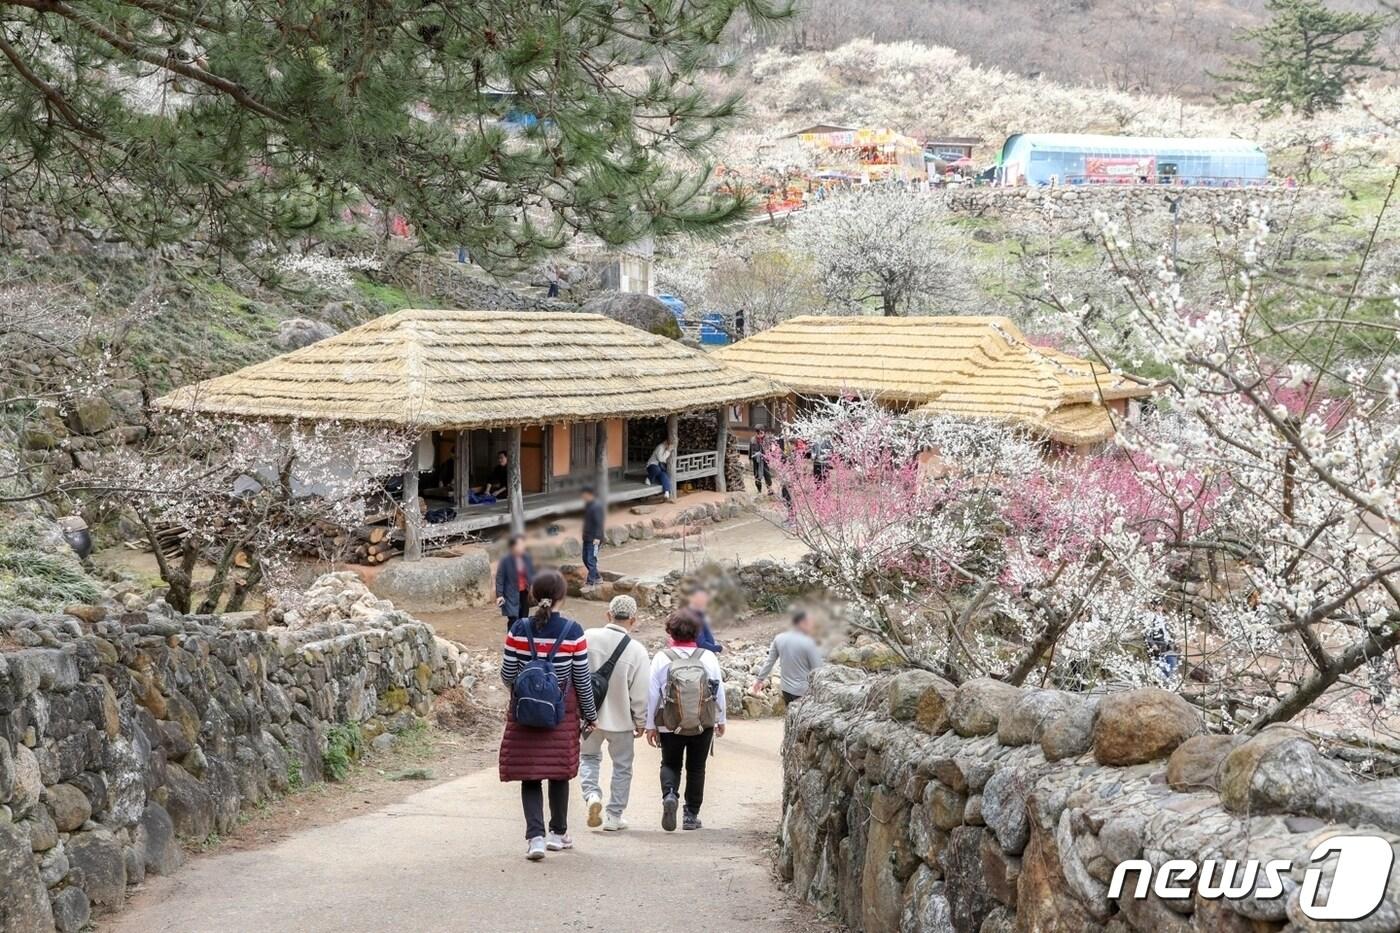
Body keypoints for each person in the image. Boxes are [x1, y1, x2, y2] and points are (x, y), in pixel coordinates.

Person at [498, 570, 598, 861]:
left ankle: (536, 839)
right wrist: (590, 715)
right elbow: (582, 680)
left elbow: (507, 675)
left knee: (529, 775)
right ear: (561, 598)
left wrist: (527, 691)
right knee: (558, 773)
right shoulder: (573, 631)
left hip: (524, 711)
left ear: (532, 595)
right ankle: (558, 833)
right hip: (561, 712)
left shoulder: (518, 628)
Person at [645, 609, 726, 831]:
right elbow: (719, 691)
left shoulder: (662, 658)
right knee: (697, 767)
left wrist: (650, 725)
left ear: (670, 632)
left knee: (670, 763)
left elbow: (652, 693)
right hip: (702, 722)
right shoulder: (707, 657)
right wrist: (720, 719)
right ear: (696, 632)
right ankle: (691, 815)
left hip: (670, 723)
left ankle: (670, 794)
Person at [580, 595, 651, 831]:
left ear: (608, 615)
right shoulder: (637, 651)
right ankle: (613, 816)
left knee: (589, 758)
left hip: (588, 718)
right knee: (622, 766)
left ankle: (592, 796)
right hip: (621, 721)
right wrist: (641, 720)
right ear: (633, 620)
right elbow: (640, 693)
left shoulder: (587, 637)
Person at [750, 610, 824, 704]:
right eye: (810, 622)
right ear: (801, 623)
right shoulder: (809, 642)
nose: (812, 626)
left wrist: (759, 680)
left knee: (791, 716)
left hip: (786, 689)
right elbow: (818, 670)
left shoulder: (779, 638)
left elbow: (769, 662)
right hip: (804, 691)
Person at [494, 534, 535, 629]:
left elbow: (531, 573)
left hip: (525, 592)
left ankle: (522, 640)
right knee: (513, 619)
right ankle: (511, 640)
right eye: (520, 545)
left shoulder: (527, 557)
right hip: (510, 594)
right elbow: (500, 578)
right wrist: (499, 595)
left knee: (524, 619)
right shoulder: (505, 560)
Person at [687, 587, 723, 654]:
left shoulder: (698, 613)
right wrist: (718, 648)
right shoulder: (694, 616)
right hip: (700, 654)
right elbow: (701, 643)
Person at [580, 485, 604, 587]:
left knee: (591, 559)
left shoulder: (597, 506)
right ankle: (597, 576)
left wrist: (597, 537)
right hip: (587, 537)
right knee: (585, 559)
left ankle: (590, 582)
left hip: (594, 538)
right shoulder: (588, 505)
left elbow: (599, 523)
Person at [749, 428, 770, 495]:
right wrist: (750, 459)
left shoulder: (766, 440)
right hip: (756, 460)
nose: (760, 435)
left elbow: (769, 450)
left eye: (761, 433)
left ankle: (769, 489)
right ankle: (759, 490)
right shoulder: (753, 440)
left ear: (764, 433)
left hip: (765, 460)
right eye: (758, 433)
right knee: (757, 475)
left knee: (767, 475)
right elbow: (750, 450)